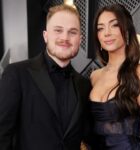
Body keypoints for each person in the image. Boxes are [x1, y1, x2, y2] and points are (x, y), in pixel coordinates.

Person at [0, 4, 91, 150]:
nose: (65, 37)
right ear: (45, 36)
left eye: (72, 32)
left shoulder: (85, 85)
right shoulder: (16, 74)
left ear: (80, 40)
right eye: (58, 30)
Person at [89, 3, 140, 150]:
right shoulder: (94, 76)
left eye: (114, 25)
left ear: (127, 30)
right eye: (100, 28)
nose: (106, 33)